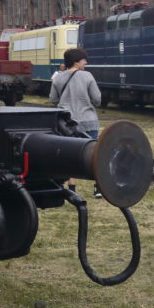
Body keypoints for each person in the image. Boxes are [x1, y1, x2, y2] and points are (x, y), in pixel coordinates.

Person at [49, 47, 102, 197]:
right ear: (76, 62)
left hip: (66, 123)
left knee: (69, 154)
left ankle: (72, 189)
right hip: (88, 121)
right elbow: (97, 99)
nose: (86, 62)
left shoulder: (58, 77)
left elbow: (53, 99)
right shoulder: (87, 76)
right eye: (84, 59)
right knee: (95, 154)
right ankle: (98, 187)